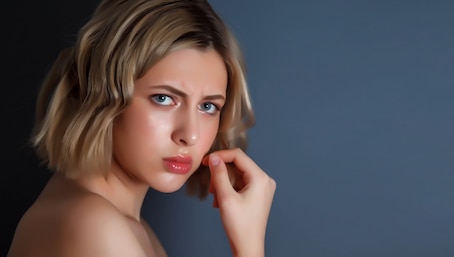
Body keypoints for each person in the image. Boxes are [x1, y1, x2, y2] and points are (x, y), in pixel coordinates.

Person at [8, 0, 276, 256]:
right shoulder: (92, 224)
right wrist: (249, 247)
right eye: (163, 98)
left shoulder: (126, 224)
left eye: (208, 107)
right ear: (103, 95)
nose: (189, 135)